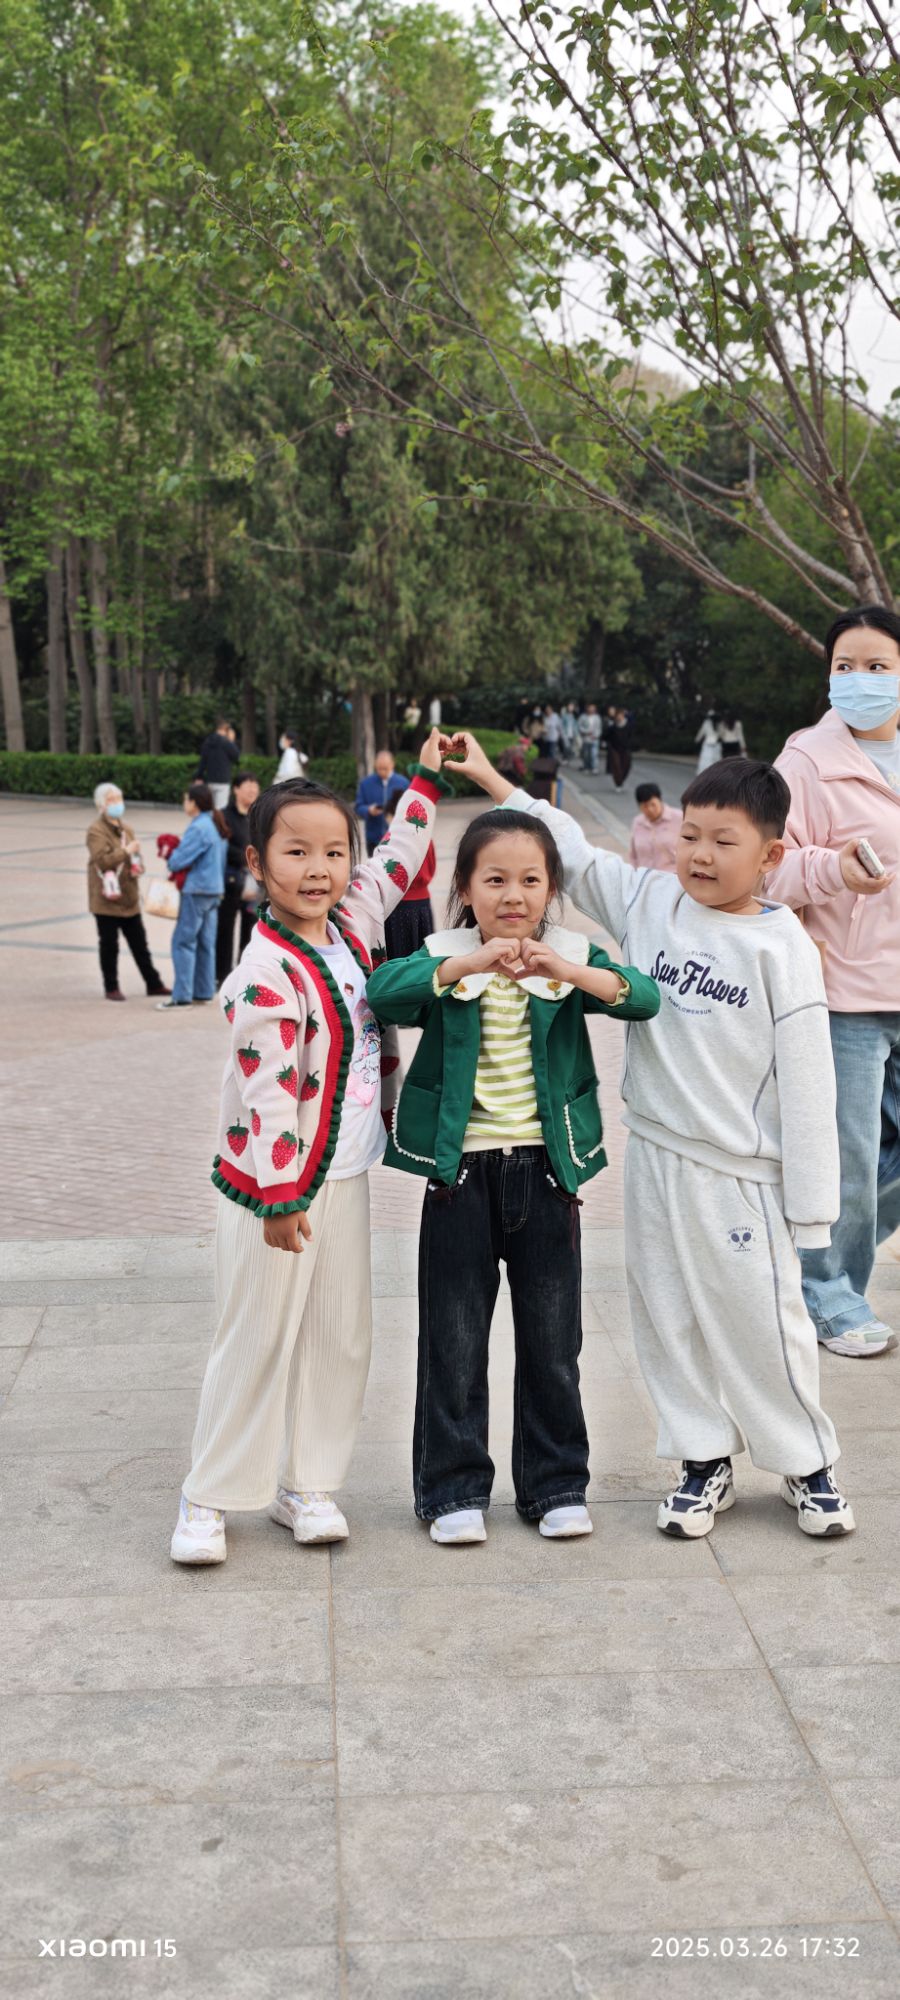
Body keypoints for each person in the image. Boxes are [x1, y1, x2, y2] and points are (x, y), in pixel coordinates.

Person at [450, 733, 855, 1542]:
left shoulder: (782, 948)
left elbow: (811, 1085)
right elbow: (567, 847)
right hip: (659, 1153)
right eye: (689, 834)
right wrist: (494, 778)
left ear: (771, 855)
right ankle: (702, 1459)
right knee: (666, 1318)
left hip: (741, 1174)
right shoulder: (651, 902)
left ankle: (807, 1463)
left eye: (723, 842)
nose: (698, 855)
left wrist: (812, 1212)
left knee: (762, 1322)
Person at [169, 735, 449, 1565]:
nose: (319, 869)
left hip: (345, 1174)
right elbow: (267, 1094)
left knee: (339, 1336)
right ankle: (208, 1495)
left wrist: (426, 777)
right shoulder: (265, 971)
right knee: (257, 1335)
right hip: (274, 1188)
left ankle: (308, 1484)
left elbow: (398, 858)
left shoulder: (353, 927)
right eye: (297, 853)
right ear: (258, 863)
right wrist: (282, 1197)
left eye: (333, 851)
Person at [367, 807, 659, 1543]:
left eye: (531, 880)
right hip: (458, 1177)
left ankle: (555, 1484)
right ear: (465, 888)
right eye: (494, 879)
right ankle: (452, 1491)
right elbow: (385, 993)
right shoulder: (444, 955)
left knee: (553, 1344)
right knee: (453, 1343)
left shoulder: (567, 956)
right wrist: (464, 965)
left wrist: (567, 970)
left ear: (551, 888)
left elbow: (642, 997)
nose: (513, 895)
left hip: (549, 1174)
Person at [765, 605, 900, 1359]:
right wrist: (834, 870)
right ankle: (832, 1297)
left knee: (868, 1169)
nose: (859, 680)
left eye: (877, 666)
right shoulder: (807, 761)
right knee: (847, 1157)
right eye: (845, 666)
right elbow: (766, 866)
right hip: (847, 994)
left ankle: (805, 1260)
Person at [86, 783, 170, 1002]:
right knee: (109, 945)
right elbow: (102, 860)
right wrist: (126, 851)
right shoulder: (96, 831)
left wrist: (138, 866)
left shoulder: (127, 829)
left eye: (119, 798)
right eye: (111, 800)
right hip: (106, 899)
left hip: (129, 896)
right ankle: (111, 986)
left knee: (140, 944)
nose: (117, 803)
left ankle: (154, 983)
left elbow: (135, 857)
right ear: (101, 805)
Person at [156, 783, 227, 1011]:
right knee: (206, 943)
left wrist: (170, 853)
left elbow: (178, 860)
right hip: (214, 890)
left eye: (186, 799)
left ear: (194, 803)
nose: (184, 803)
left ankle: (182, 996)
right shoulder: (214, 823)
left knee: (183, 942)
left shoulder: (199, 827)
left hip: (197, 890)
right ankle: (203, 991)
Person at [216, 771, 262, 985]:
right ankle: (222, 975)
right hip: (231, 881)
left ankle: (244, 975)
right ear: (235, 789)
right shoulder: (223, 816)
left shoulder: (259, 817)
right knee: (224, 929)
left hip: (255, 884)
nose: (252, 790)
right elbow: (222, 847)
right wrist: (247, 858)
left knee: (251, 929)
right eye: (247, 785)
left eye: (255, 785)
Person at [380, 791, 436, 960]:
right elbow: (431, 868)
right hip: (423, 904)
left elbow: (384, 873)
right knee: (422, 955)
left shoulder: (393, 840)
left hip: (398, 905)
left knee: (400, 956)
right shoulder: (426, 838)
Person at [354, 749, 409, 854]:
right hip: (374, 838)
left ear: (392, 765)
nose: (382, 772)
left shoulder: (403, 783)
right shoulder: (366, 784)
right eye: (379, 769)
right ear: (375, 765)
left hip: (397, 838)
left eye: (385, 768)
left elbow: (410, 808)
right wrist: (368, 810)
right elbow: (358, 806)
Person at [628, 783, 682, 872]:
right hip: (645, 876)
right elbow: (633, 855)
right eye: (645, 806)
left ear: (660, 800)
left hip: (671, 875)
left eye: (653, 804)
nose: (650, 809)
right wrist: (634, 873)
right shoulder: (637, 822)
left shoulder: (679, 818)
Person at [196, 718, 240, 809]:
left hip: (210, 780)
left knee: (210, 808)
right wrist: (231, 741)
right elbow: (236, 756)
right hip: (223, 781)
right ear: (227, 730)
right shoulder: (226, 742)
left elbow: (202, 761)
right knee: (221, 809)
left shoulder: (208, 741)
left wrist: (199, 777)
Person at [607, 707, 633, 790]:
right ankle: (618, 783)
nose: (619, 718)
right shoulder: (612, 727)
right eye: (617, 716)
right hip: (614, 748)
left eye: (620, 716)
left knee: (626, 765)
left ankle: (621, 779)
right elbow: (607, 736)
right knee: (616, 765)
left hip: (626, 748)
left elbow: (632, 736)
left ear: (623, 716)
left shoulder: (629, 726)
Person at [578, 703, 602, 772]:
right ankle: (586, 767)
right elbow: (579, 727)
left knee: (594, 754)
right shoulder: (583, 717)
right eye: (590, 708)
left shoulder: (597, 717)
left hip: (594, 739)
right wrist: (586, 732)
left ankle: (594, 767)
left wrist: (596, 735)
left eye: (593, 708)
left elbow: (599, 728)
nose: (592, 709)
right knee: (586, 754)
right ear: (587, 708)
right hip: (586, 738)